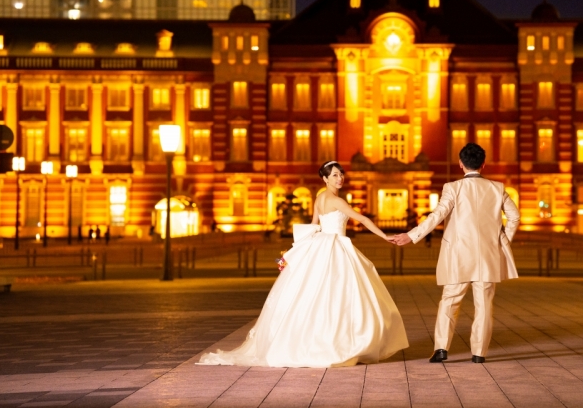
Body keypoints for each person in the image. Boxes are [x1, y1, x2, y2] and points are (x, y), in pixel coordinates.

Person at [198, 161, 408, 368]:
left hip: (320, 245)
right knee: (340, 294)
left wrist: (299, 252)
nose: (340, 178)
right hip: (335, 246)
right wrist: (384, 236)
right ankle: (337, 343)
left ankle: (315, 340)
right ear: (325, 179)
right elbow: (361, 219)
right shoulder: (339, 202)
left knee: (313, 294)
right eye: (334, 175)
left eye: (341, 174)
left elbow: (313, 226)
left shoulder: (319, 199)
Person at [392, 143, 519, 364]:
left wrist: (412, 235)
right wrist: (502, 240)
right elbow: (514, 217)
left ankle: (441, 348)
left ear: (460, 163)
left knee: (450, 301)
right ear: (483, 164)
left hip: (459, 255)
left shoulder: (453, 188)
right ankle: (479, 353)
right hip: (488, 255)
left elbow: (437, 215)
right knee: (485, 306)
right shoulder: (497, 188)